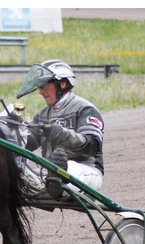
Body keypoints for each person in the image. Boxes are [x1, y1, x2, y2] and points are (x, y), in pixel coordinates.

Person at [15, 59, 105, 200]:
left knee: (67, 168)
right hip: (50, 174)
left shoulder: (85, 109)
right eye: (40, 87)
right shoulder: (42, 115)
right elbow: (27, 144)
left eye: (44, 86)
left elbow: (91, 147)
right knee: (16, 178)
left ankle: (56, 182)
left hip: (86, 171)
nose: (41, 91)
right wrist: (14, 130)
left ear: (62, 84)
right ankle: (53, 183)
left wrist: (61, 133)